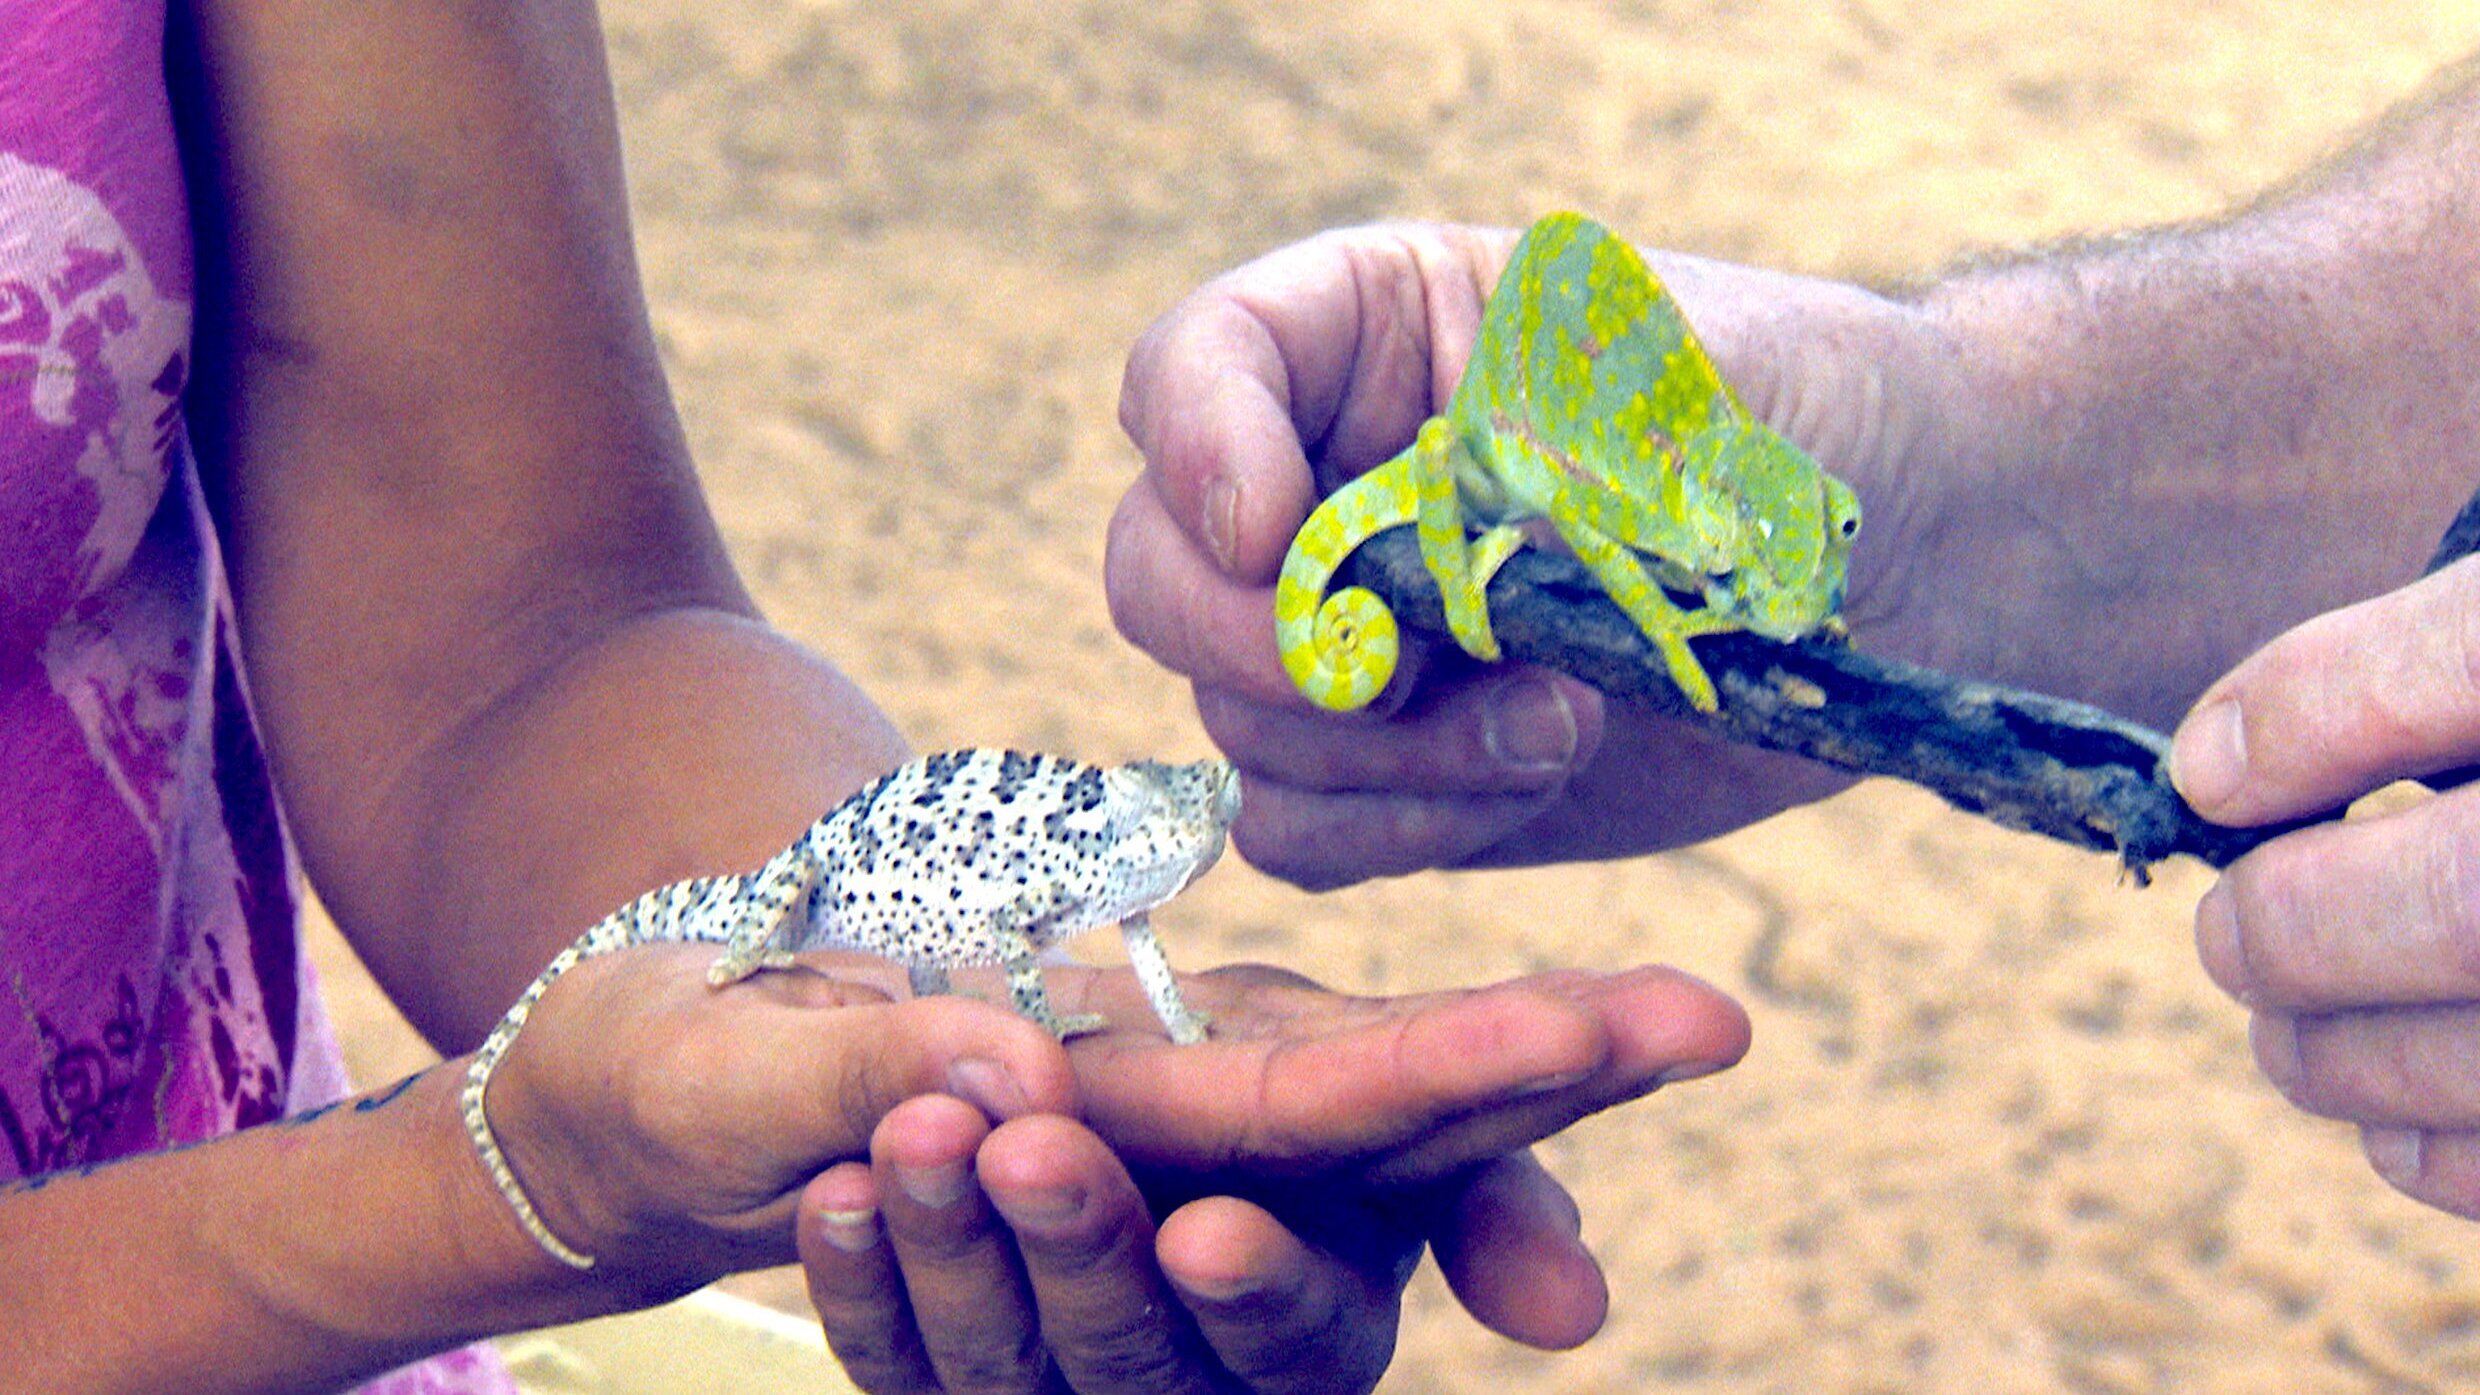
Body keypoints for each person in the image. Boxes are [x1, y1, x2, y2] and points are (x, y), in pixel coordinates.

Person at [0, 3, 1759, 1392]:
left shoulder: (1100, 881)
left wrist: (937, 1052)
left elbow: (523, 627)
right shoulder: (484, 1189)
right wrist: (494, 1188)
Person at [1107, 54, 2480, 1230]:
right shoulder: (1697, 488)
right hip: (1493, 470)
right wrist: (1979, 476)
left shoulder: (1745, 505)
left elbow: (1708, 534)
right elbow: (1595, 509)